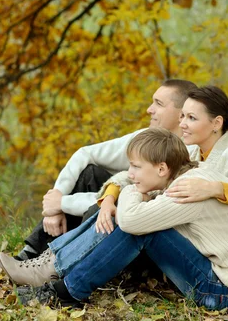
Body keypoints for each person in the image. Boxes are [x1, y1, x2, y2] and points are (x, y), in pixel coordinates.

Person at [0, 86, 228, 291]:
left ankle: (58, 275)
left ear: (216, 123)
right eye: (183, 117)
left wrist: (216, 188)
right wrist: (109, 197)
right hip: (194, 236)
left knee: (133, 222)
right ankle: (45, 261)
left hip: (219, 251)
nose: (182, 124)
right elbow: (134, 176)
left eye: (191, 118)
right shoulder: (190, 150)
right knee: (113, 201)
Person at [15, 127, 228, 311]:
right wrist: (113, 198)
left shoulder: (187, 191)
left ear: (161, 169)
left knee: (138, 228)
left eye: (136, 167)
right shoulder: (188, 172)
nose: (130, 173)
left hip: (224, 292)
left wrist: (129, 190)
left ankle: (65, 290)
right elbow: (129, 189)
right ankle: (53, 266)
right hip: (223, 276)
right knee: (129, 215)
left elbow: (131, 222)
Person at [15, 79, 198, 260]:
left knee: (105, 204)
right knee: (90, 174)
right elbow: (85, 154)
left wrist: (62, 202)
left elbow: (138, 200)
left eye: (158, 104)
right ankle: (32, 252)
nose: (149, 109)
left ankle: (59, 261)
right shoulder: (147, 139)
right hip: (120, 211)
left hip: (143, 236)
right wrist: (55, 204)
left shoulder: (191, 154)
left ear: (181, 113)